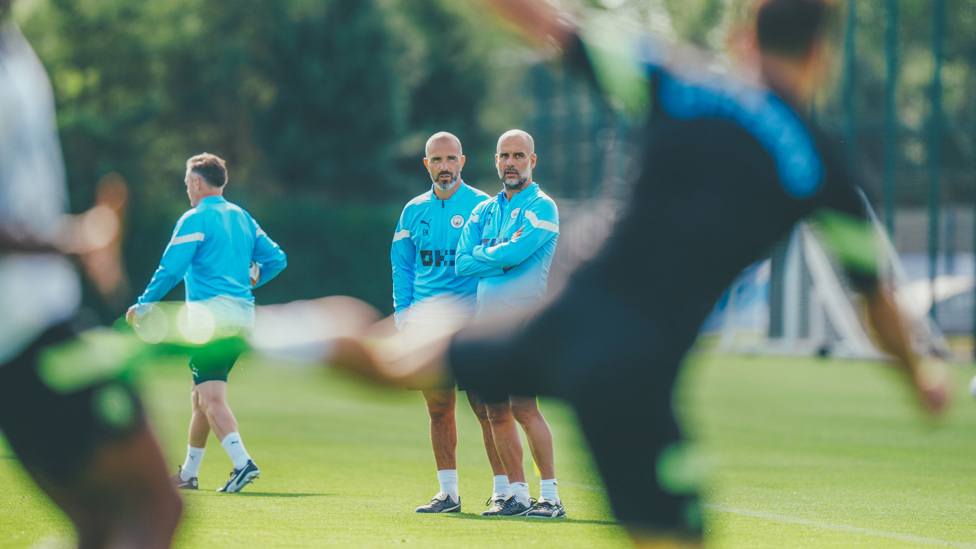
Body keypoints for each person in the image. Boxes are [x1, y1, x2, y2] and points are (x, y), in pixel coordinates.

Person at [324, 0, 949, 546]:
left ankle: (269, 330)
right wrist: (919, 375)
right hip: (638, 373)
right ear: (822, 54)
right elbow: (879, 303)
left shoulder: (681, 83)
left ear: (744, 39)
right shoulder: (821, 166)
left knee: (390, 362)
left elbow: (545, 22)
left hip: (561, 318)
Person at [0, 4, 182, 547]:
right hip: (29, 334)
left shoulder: (13, 43)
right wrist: (75, 240)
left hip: (32, 329)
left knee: (100, 526)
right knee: (152, 509)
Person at [126, 153, 287, 494]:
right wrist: (253, 277)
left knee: (211, 397)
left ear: (197, 182)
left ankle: (242, 463)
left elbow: (169, 269)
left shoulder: (194, 218)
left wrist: (142, 307)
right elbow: (276, 259)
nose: (187, 189)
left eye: (187, 183)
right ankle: (189, 473)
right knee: (200, 397)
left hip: (209, 322)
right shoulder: (242, 216)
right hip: (243, 319)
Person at [454, 129, 564, 518]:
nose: (511, 162)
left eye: (519, 155)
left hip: (524, 326)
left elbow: (519, 252)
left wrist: (491, 255)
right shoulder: (483, 211)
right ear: (496, 161)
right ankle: (516, 494)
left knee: (524, 408)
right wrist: (499, 256)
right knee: (496, 411)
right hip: (487, 326)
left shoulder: (542, 206)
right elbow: (461, 262)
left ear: (533, 161)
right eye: (505, 155)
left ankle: (550, 497)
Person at [391, 132, 495, 513]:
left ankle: (505, 491)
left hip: (472, 324)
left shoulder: (483, 206)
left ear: (462, 162)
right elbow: (402, 265)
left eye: (451, 159)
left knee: (488, 409)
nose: (445, 167)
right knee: (438, 409)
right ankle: (448, 493)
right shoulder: (412, 210)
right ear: (427, 165)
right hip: (426, 327)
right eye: (437, 160)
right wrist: (404, 315)